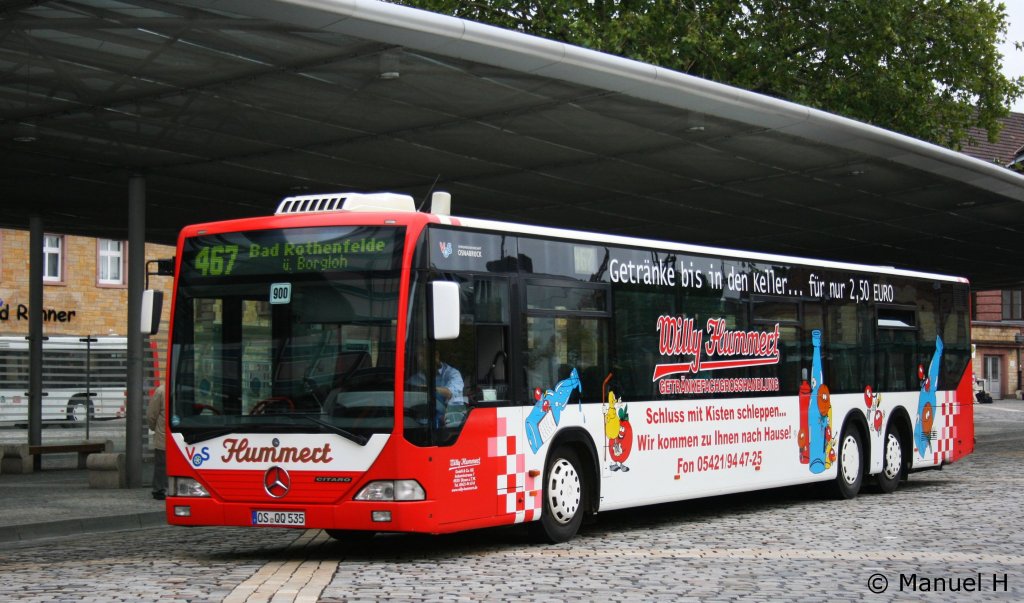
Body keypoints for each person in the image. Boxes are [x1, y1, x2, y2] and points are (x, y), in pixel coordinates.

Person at [146, 384, 167, 500]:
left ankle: (159, 489)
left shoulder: (160, 391)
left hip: (163, 434)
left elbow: (151, 415)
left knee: (161, 464)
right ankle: (160, 489)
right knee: (162, 464)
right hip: (166, 435)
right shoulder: (161, 391)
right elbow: (152, 415)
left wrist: (155, 428)